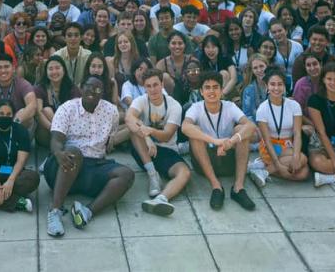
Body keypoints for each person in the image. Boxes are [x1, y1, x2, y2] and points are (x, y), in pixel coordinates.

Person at [44, 75, 133, 236]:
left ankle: (86, 211)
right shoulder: (67, 108)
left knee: (126, 174)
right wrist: (58, 153)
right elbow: (56, 139)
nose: (92, 91)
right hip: (64, 165)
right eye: (89, 87)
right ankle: (55, 211)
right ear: (81, 87)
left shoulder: (111, 111)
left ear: (103, 93)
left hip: (94, 166)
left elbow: (109, 141)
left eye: (98, 89)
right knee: (74, 153)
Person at [181, 71, 259, 210]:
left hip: (229, 159)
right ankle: (216, 187)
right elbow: (185, 127)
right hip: (205, 159)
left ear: (222, 90)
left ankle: (238, 188)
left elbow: (251, 126)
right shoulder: (196, 107)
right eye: (207, 87)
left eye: (215, 87)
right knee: (195, 132)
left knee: (241, 130)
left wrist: (231, 141)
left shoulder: (229, 106)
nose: (212, 91)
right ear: (201, 91)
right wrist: (215, 141)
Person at [125, 68, 191, 217]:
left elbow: (167, 135)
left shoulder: (174, 106)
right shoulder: (141, 100)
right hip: (145, 151)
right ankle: (153, 175)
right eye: (148, 86)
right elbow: (129, 118)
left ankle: (161, 199)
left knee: (185, 173)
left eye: (155, 85)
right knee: (133, 130)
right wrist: (148, 138)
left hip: (167, 150)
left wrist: (151, 132)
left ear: (162, 84)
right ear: (144, 87)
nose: (152, 89)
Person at [254, 70, 310, 184]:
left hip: (287, 146)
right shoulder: (262, 109)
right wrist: (278, 165)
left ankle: (265, 170)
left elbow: (297, 134)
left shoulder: (294, 105)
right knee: (303, 159)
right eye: (272, 84)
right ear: (267, 86)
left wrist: (295, 156)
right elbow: (266, 140)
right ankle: (270, 167)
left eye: (280, 84)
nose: (276, 88)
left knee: (304, 173)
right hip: (270, 148)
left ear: (284, 86)